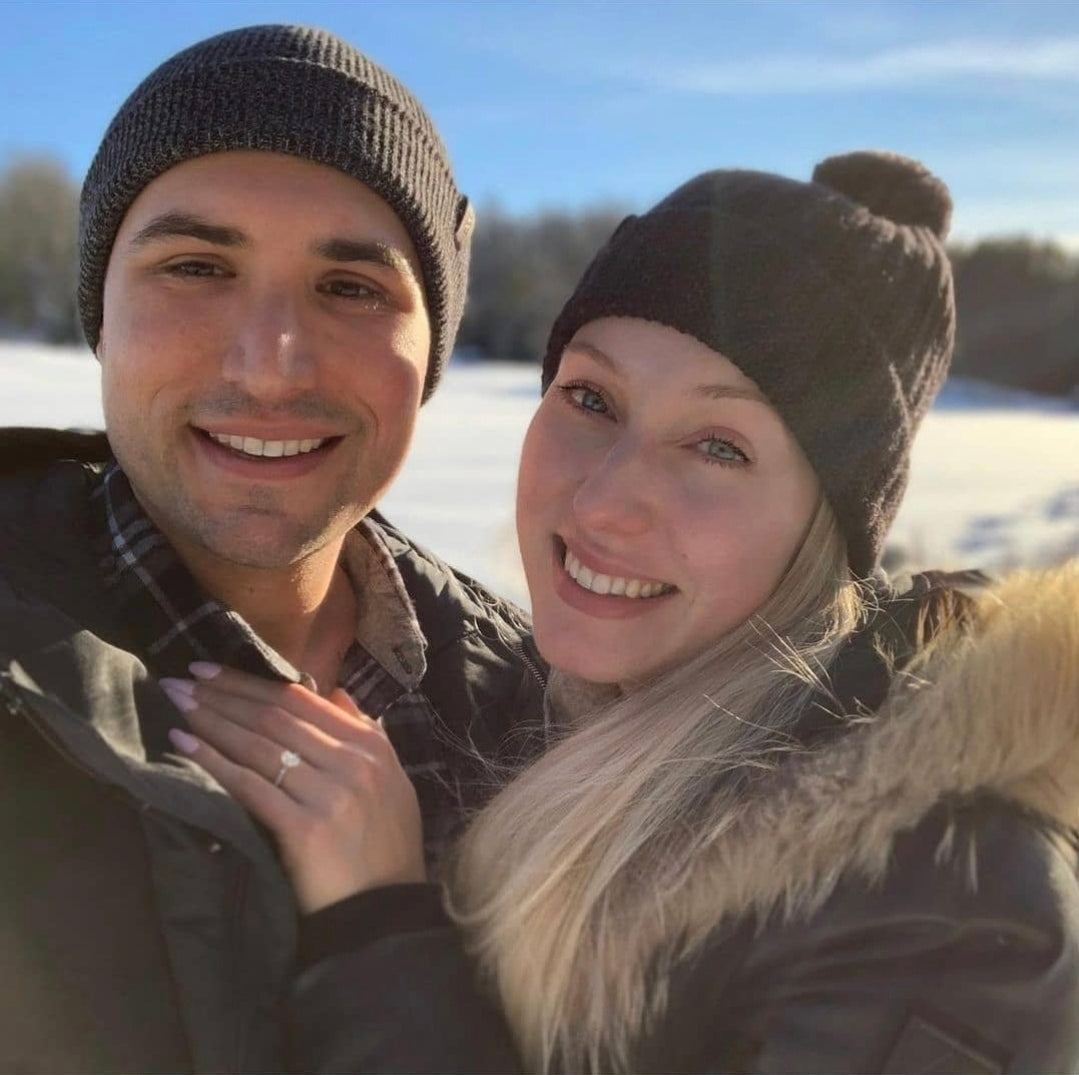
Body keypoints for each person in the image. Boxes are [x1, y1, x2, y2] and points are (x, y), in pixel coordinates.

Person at [169, 153, 1079, 1073]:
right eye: (591, 398)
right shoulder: (542, 709)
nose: (604, 501)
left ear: (827, 521)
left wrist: (380, 933)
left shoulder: (951, 906)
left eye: (718, 445)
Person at [0, 24, 546, 1073]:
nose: (270, 365)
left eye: (350, 288)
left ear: (429, 347)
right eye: (197, 267)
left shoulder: (537, 722)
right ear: (98, 317)